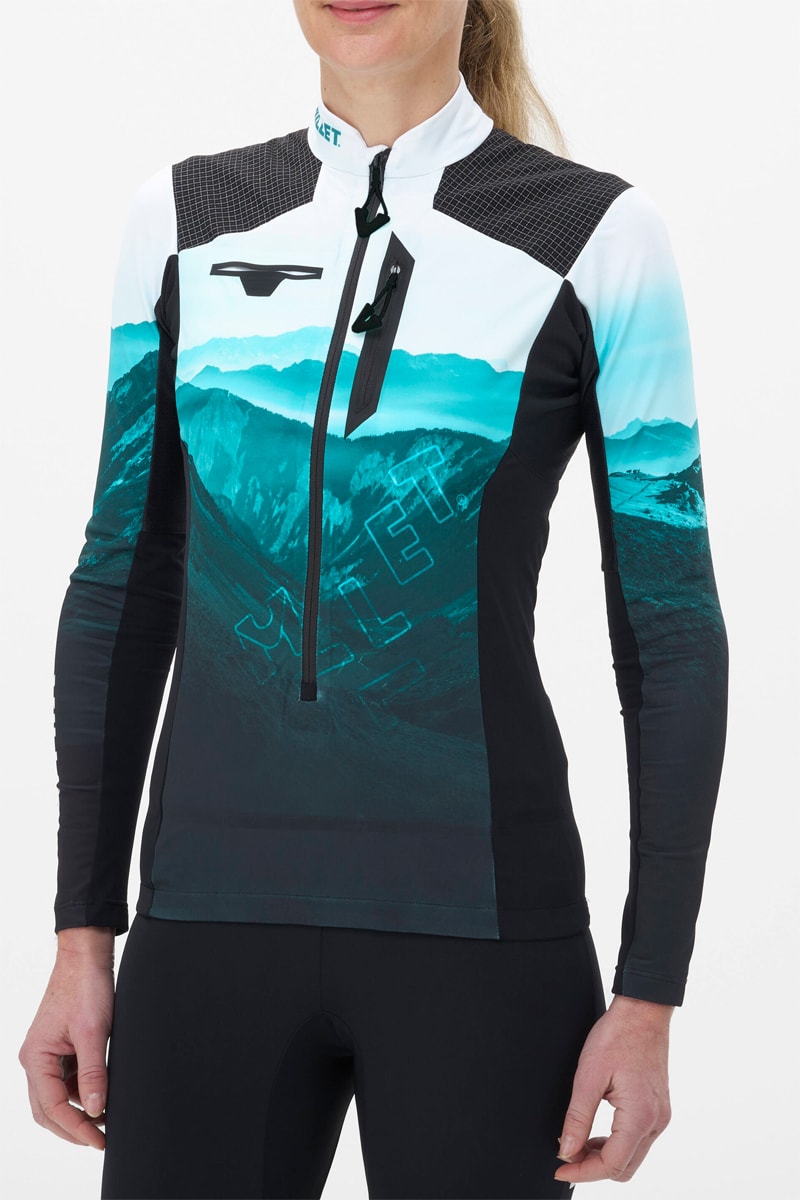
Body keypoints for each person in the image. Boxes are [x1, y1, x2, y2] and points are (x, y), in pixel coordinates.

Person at [18, 1, 729, 1196]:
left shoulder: (595, 237)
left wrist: (649, 991)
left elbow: (668, 633)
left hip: (484, 935)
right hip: (206, 928)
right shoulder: (184, 219)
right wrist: (81, 936)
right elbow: (118, 588)